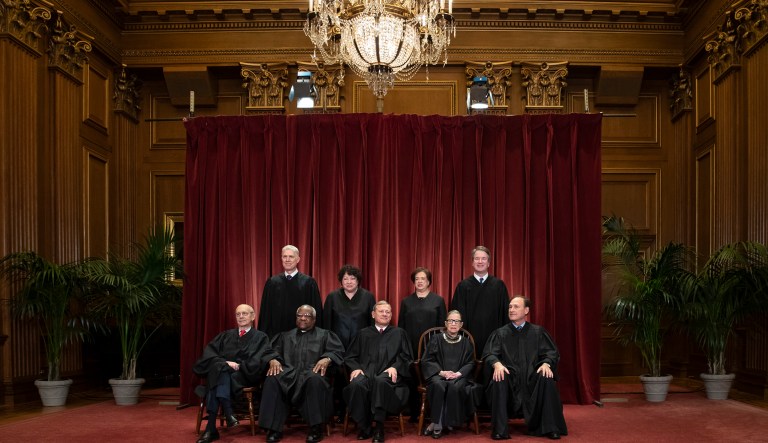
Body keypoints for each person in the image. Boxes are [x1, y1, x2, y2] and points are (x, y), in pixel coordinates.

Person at [482, 296, 568, 440]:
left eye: (516, 307)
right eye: (510, 307)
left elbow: (551, 353)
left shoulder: (538, 332)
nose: (511, 310)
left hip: (532, 377)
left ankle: (550, 427)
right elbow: (490, 353)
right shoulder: (500, 333)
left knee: (546, 376)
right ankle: (500, 430)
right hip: (510, 378)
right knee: (499, 377)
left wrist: (546, 363)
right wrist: (497, 364)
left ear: (526, 310)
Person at [259, 305, 345, 443]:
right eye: (300, 315)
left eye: (307, 315)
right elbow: (270, 351)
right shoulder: (285, 336)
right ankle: (274, 428)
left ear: (314, 319)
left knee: (315, 380)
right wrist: (273, 359)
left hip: (312, 373)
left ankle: (316, 428)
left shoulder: (325, 335)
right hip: (288, 374)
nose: (303, 318)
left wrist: (327, 358)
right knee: (273, 379)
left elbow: (337, 352)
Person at [193, 304, 275, 443]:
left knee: (217, 375)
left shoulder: (261, 337)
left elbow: (258, 361)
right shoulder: (225, 335)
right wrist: (226, 363)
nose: (241, 316)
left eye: (244, 313)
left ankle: (211, 427)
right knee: (220, 370)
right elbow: (209, 355)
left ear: (253, 316)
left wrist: (237, 366)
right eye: (238, 314)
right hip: (224, 374)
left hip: (244, 375)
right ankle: (226, 414)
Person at [344, 301, 413, 443]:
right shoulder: (363, 333)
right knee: (356, 385)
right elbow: (350, 356)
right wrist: (356, 368)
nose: (385, 314)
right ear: (373, 314)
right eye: (381, 311)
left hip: (389, 376)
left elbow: (407, 357)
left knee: (380, 382)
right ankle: (364, 426)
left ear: (392, 315)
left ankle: (379, 427)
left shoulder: (399, 333)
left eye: (388, 312)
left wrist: (396, 367)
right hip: (365, 373)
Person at [323, 264, 376, 419]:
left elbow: (372, 323)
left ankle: (359, 411)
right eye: (345, 278)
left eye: (352, 278)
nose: (349, 282)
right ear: (341, 281)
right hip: (337, 345)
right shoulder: (332, 297)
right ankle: (340, 411)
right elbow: (327, 323)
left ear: (358, 280)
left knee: (358, 377)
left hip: (360, 346)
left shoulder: (368, 297)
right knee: (339, 378)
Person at [398, 267, 446, 421]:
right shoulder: (406, 301)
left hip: (431, 347)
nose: (419, 281)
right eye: (417, 279)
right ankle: (413, 412)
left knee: (432, 377)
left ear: (429, 282)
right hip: (411, 345)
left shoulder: (438, 300)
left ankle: (432, 413)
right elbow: (401, 326)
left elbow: (442, 327)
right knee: (412, 377)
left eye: (423, 279)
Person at [420, 310, 477, 439]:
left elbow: (470, 363)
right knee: (439, 385)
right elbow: (426, 360)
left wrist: (458, 373)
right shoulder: (436, 339)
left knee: (454, 387)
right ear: (446, 323)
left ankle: (437, 423)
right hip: (438, 374)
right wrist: (441, 372)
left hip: (458, 376)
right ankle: (439, 424)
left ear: (461, 325)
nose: (453, 323)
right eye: (451, 320)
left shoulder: (466, 343)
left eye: (456, 321)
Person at [450, 246, 509, 353]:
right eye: (477, 258)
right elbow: (456, 316)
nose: (480, 261)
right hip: (468, 341)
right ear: (472, 262)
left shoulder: (499, 286)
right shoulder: (463, 286)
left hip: (494, 341)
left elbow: (506, 315)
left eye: (484, 258)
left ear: (489, 263)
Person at [258, 245, 323, 339]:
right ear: (281, 259)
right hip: (276, 336)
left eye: (291, 256)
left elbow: (316, 312)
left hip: (303, 336)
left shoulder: (308, 282)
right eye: (284, 256)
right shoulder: (272, 282)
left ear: (298, 259)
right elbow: (265, 313)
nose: (287, 259)